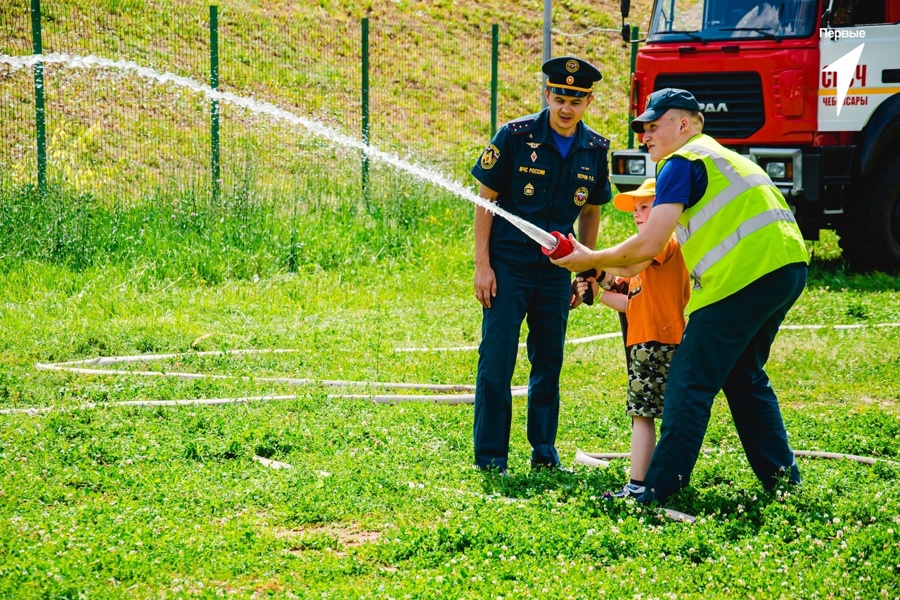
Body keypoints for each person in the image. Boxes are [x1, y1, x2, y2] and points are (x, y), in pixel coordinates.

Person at [552, 88, 809, 503]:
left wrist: (587, 256)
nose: (645, 136)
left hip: (741, 278)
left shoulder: (681, 162)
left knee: (688, 383)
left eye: (654, 126)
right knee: (744, 378)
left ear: (684, 124)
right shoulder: (722, 157)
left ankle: (657, 488)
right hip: (787, 267)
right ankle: (783, 481)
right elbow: (637, 263)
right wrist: (595, 267)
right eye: (643, 128)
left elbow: (649, 244)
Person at [471, 56, 611, 475]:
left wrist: (585, 267)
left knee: (549, 362)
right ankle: (492, 456)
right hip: (508, 265)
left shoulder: (596, 148)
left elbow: (590, 212)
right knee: (497, 360)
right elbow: (485, 200)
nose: (567, 107)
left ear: (589, 101)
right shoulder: (515, 136)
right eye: (559, 96)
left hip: (556, 270)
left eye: (577, 99)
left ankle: (544, 452)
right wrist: (483, 264)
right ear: (546, 93)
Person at [574, 178, 690, 498]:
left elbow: (627, 269)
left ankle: (638, 485)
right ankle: (664, 479)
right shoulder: (647, 253)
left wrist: (590, 260)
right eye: (635, 209)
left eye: (646, 207)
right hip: (647, 338)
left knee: (643, 415)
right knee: (653, 414)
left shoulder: (662, 242)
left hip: (656, 341)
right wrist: (596, 286)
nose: (638, 214)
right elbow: (629, 300)